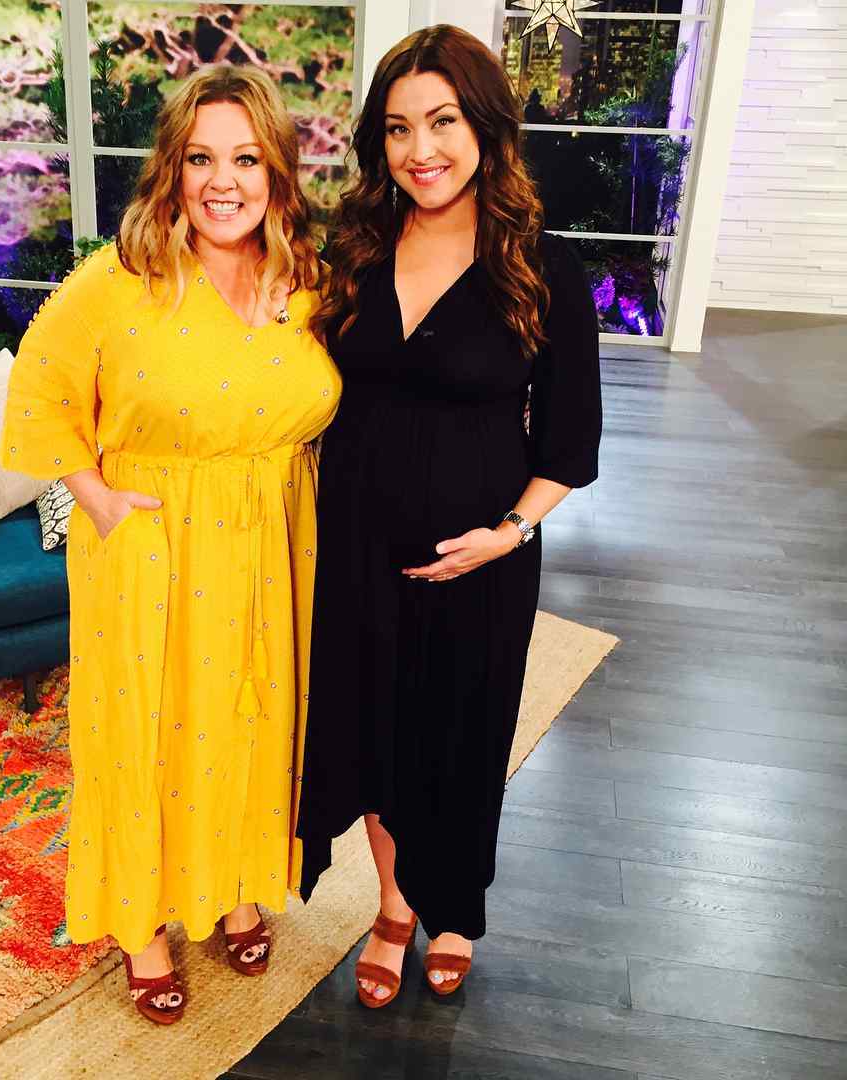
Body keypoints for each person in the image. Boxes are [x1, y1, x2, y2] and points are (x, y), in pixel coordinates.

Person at [0, 65, 341, 1025]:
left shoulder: (309, 282)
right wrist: (95, 498)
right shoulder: (117, 281)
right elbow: (39, 388)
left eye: (247, 159)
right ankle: (143, 923)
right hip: (151, 543)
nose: (223, 182)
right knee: (145, 733)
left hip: (272, 538)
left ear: (277, 172)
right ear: (171, 170)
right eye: (201, 159)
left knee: (253, 717)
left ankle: (237, 883)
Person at [295, 25, 602, 1007]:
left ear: (486, 128)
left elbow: (570, 445)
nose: (419, 150)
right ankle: (393, 907)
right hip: (355, 551)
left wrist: (508, 534)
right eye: (397, 129)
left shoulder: (544, 268)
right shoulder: (351, 252)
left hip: (482, 565)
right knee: (376, 739)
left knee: (460, 746)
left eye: (442, 122)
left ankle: (454, 909)